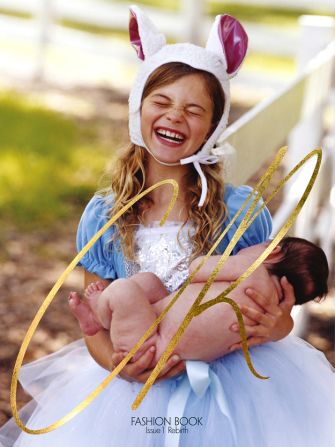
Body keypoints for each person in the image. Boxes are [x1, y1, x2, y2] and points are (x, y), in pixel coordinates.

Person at [1, 6, 334, 447]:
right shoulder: (105, 215)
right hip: (132, 392)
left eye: (195, 110)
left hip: (234, 388)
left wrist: (275, 326)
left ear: (213, 127)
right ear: (138, 108)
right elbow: (99, 327)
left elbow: (273, 311)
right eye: (161, 101)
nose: (176, 116)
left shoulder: (240, 212)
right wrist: (120, 364)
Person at [68, 236, 329, 364]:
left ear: (271, 252)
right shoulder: (268, 312)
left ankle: (98, 317)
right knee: (149, 283)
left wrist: (227, 259)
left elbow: (197, 269)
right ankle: (101, 314)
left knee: (124, 290)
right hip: (162, 336)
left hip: (149, 344)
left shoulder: (252, 268)